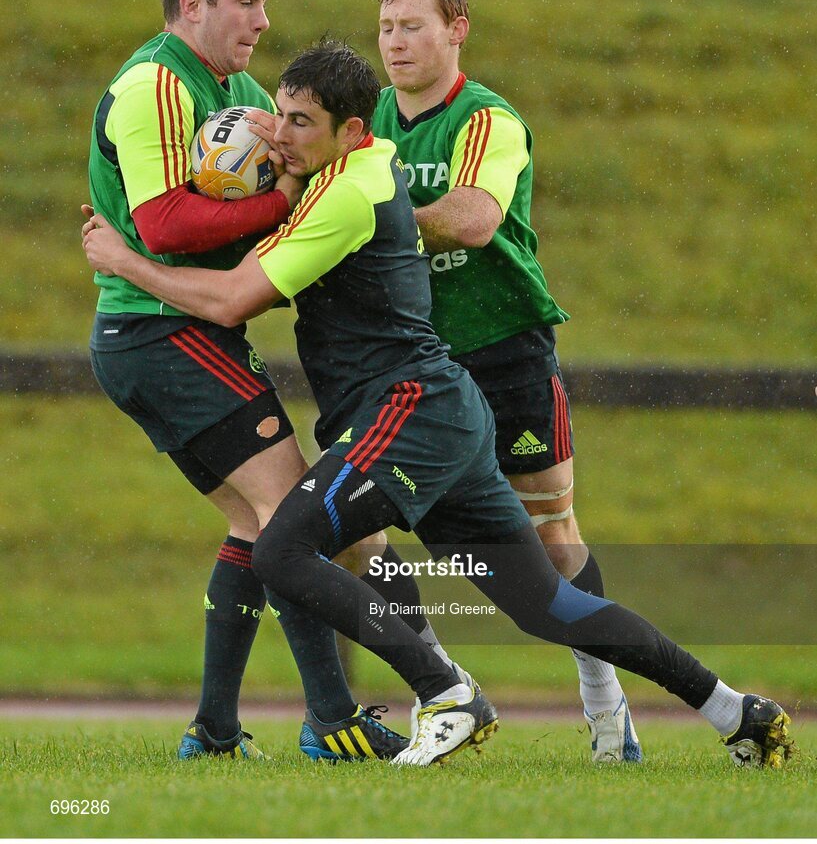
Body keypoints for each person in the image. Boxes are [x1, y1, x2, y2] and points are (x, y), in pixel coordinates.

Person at [83, 40, 793, 770]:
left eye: (298, 122)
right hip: (439, 415)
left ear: (350, 132)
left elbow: (233, 298)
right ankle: (734, 710)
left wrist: (125, 262)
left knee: (282, 549)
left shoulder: (347, 193)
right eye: (278, 116)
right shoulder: (355, 167)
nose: (278, 135)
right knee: (549, 607)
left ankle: (446, 694)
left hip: (409, 411)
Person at [85, 0, 417, 763]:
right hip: (158, 329)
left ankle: (215, 730)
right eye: (247, 0)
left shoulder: (224, 84)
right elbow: (161, 225)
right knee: (288, 520)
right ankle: (332, 720)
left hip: (177, 330)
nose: (264, 18)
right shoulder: (153, 84)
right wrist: (288, 203)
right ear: (191, 5)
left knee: (250, 522)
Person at [372, 0, 637, 761]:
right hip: (411, 362)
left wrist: (370, 226)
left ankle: (604, 710)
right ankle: (444, 689)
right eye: (385, 28)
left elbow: (474, 218)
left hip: (503, 348)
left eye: (412, 26)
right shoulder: (366, 122)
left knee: (550, 534)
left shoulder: (487, 119)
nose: (395, 43)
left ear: (456, 29)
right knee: (353, 525)